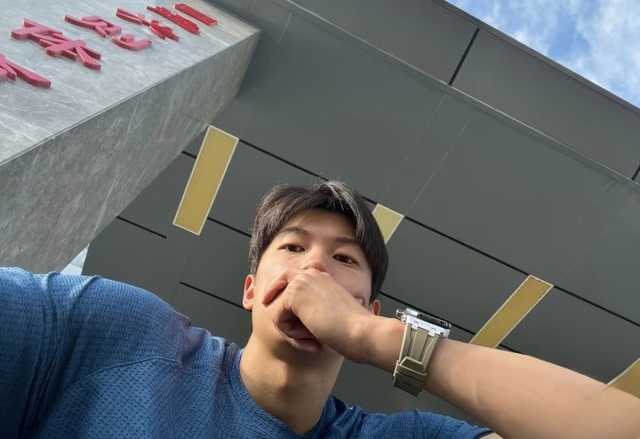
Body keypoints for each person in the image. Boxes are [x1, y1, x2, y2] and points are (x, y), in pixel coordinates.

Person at [1, 180, 639, 439]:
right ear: (250, 289)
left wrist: (377, 338)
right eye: (292, 247)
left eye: (344, 259)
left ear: (370, 306)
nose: (314, 268)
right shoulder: (117, 332)